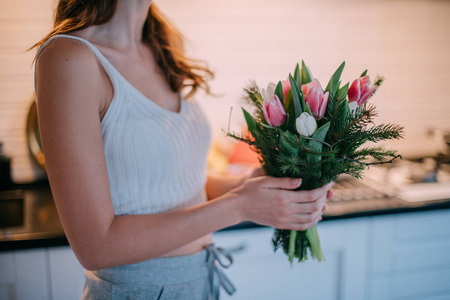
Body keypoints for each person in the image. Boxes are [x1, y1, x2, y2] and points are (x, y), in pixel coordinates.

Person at [32, 0, 333, 299]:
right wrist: (240, 205)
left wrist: (253, 184)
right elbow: (96, 247)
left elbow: (181, 185)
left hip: (201, 281)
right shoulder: (68, 58)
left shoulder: (160, 45)